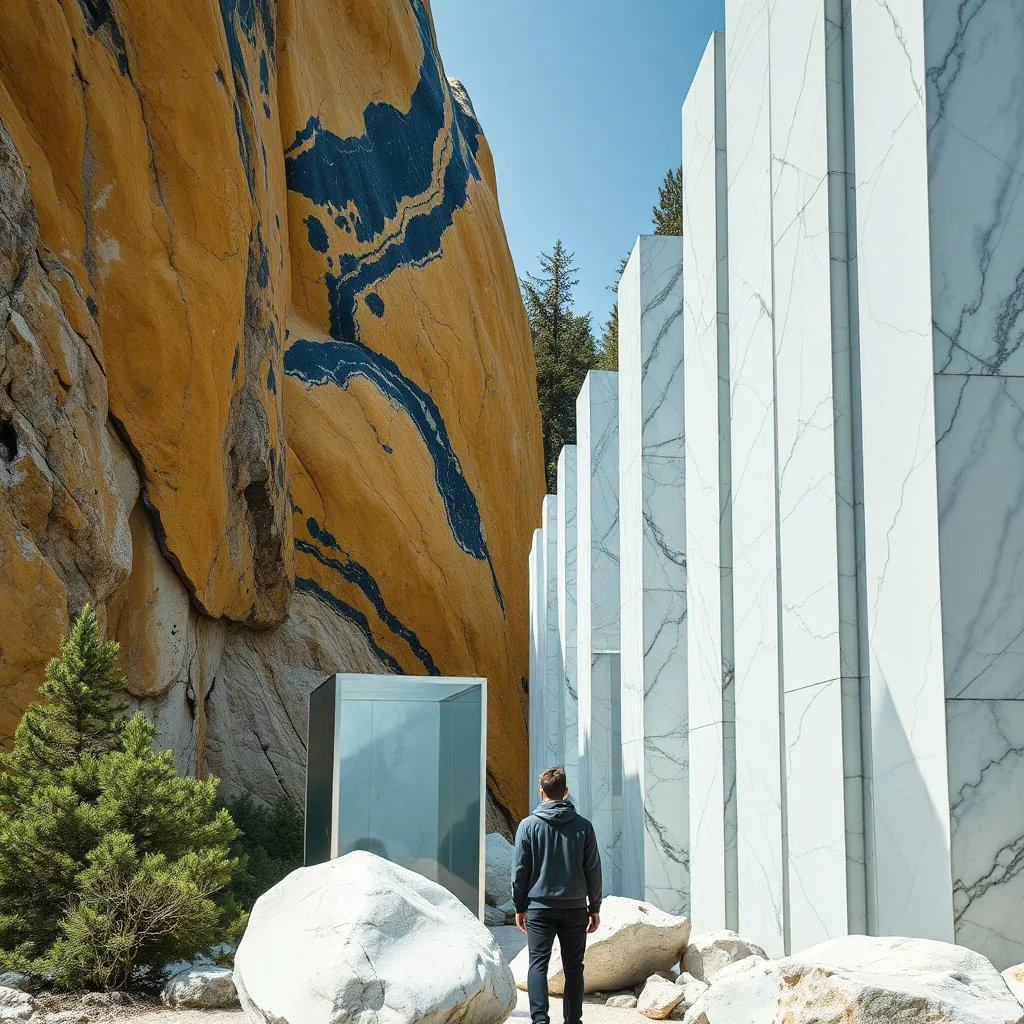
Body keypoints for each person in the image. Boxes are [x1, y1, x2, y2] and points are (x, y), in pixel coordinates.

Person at [511, 767, 602, 1024]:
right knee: (574, 967)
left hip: (539, 908)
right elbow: (593, 869)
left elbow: (520, 871)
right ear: (566, 792)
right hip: (574, 908)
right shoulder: (584, 826)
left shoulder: (528, 826)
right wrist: (594, 907)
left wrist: (520, 906)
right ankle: (573, 1021)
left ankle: (540, 1021)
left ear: (541, 792)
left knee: (538, 963)